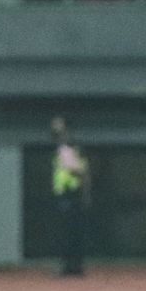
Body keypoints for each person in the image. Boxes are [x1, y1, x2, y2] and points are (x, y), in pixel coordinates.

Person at [51, 117, 91, 277]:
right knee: (72, 232)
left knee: (69, 232)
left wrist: (83, 191)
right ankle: (74, 265)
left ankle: (71, 266)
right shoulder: (70, 148)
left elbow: (79, 171)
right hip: (70, 194)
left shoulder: (67, 148)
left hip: (70, 194)